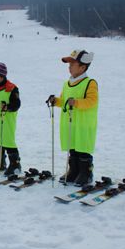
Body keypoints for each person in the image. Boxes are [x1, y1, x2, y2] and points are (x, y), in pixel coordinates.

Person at [47, 50, 98, 186]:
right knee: (73, 148)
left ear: (82, 67)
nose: (69, 67)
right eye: (69, 64)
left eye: (72, 64)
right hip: (69, 122)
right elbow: (64, 100)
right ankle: (74, 171)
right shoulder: (67, 83)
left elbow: (92, 101)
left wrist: (76, 102)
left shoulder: (90, 83)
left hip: (83, 123)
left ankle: (86, 173)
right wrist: (56, 101)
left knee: (82, 148)